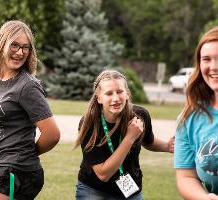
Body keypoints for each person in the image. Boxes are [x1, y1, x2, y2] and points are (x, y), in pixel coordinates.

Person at [0, 20, 60, 200]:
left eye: (25, 47)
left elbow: (52, 134)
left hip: (17, 170)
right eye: (14, 45)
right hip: (0, 167)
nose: (20, 52)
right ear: (1, 44)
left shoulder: (27, 86)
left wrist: (24, 153)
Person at [75, 69, 174, 200]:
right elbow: (103, 174)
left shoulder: (140, 116)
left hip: (130, 191)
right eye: (109, 93)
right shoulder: (89, 124)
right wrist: (129, 138)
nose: (115, 98)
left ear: (127, 93)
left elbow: (148, 141)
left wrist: (167, 146)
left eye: (119, 92)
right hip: (94, 190)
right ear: (99, 98)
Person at [174, 26, 218, 200]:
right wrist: (204, 198)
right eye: (206, 59)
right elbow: (186, 176)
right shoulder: (189, 118)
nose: (213, 67)